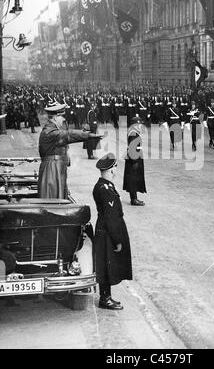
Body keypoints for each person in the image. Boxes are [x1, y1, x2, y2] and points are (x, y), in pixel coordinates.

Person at [38, 102, 102, 199]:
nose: (64, 119)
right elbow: (69, 135)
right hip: (52, 169)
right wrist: (88, 135)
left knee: (58, 198)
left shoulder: (52, 129)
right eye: (61, 116)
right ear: (55, 118)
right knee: (53, 199)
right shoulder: (50, 132)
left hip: (55, 167)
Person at [93, 153, 132, 310]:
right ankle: (104, 298)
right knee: (106, 264)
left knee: (107, 263)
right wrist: (117, 240)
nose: (117, 169)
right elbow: (111, 218)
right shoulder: (105, 189)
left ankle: (106, 296)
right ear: (112, 170)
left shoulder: (103, 185)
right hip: (107, 232)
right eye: (115, 166)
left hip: (104, 229)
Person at [123, 116, 146, 206]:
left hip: (136, 157)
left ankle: (134, 198)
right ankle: (134, 199)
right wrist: (135, 161)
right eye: (139, 124)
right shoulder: (133, 133)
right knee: (133, 179)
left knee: (134, 178)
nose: (140, 126)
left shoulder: (134, 132)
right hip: (134, 158)